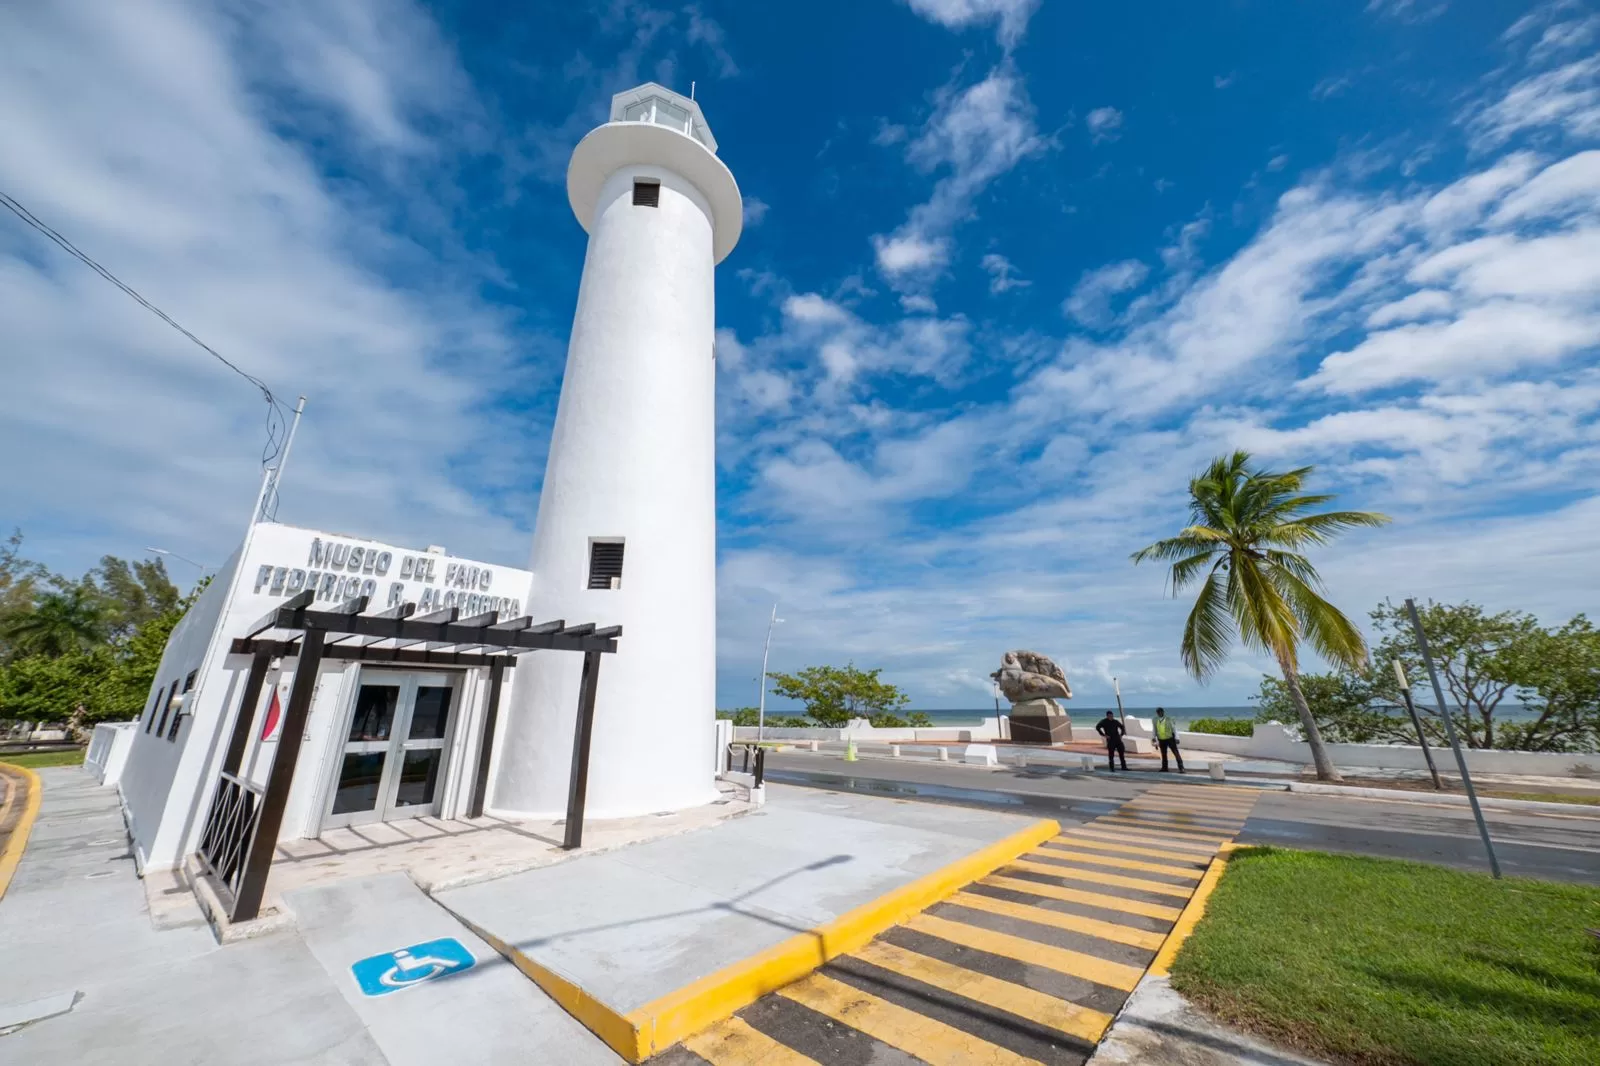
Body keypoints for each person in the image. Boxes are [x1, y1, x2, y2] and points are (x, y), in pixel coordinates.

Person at [1154, 707, 1184, 773]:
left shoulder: (1168, 719)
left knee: (1176, 753)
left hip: (1170, 739)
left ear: (1163, 712)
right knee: (1163, 754)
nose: (1159, 713)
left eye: (1160, 712)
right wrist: (1155, 741)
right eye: (1158, 712)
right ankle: (1164, 768)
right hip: (1161, 740)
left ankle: (1181, 768)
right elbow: (1155, 731)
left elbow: (1174, 729)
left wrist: (1177, 738)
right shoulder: (1156, 720)